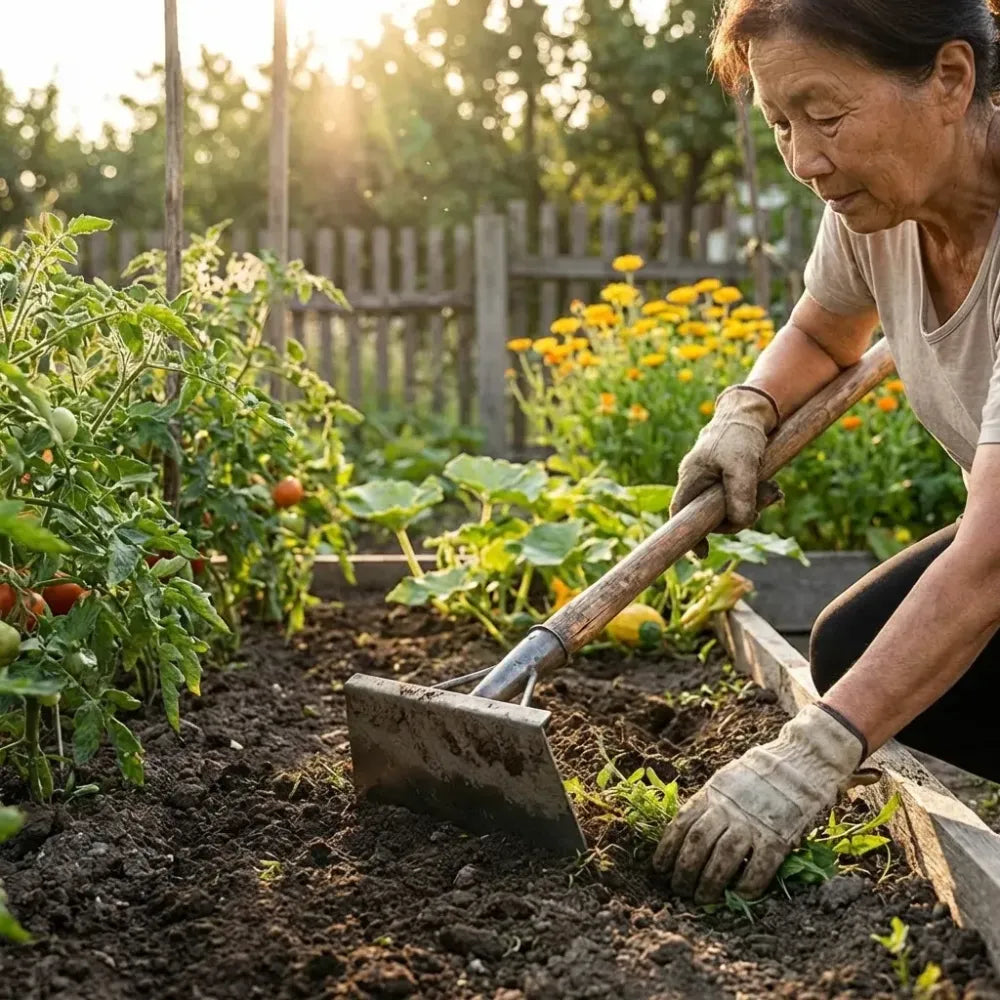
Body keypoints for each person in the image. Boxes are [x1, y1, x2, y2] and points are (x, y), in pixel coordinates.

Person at [654, 0, 1000, 905]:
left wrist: (812, 753)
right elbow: (823, 328)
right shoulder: (879, 206)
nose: (806, 161)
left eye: (828, 116)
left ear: (951, 80)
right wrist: (747, 406)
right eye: (779, 125)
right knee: (852, 644)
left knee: (865, 687)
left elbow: (992, 559)